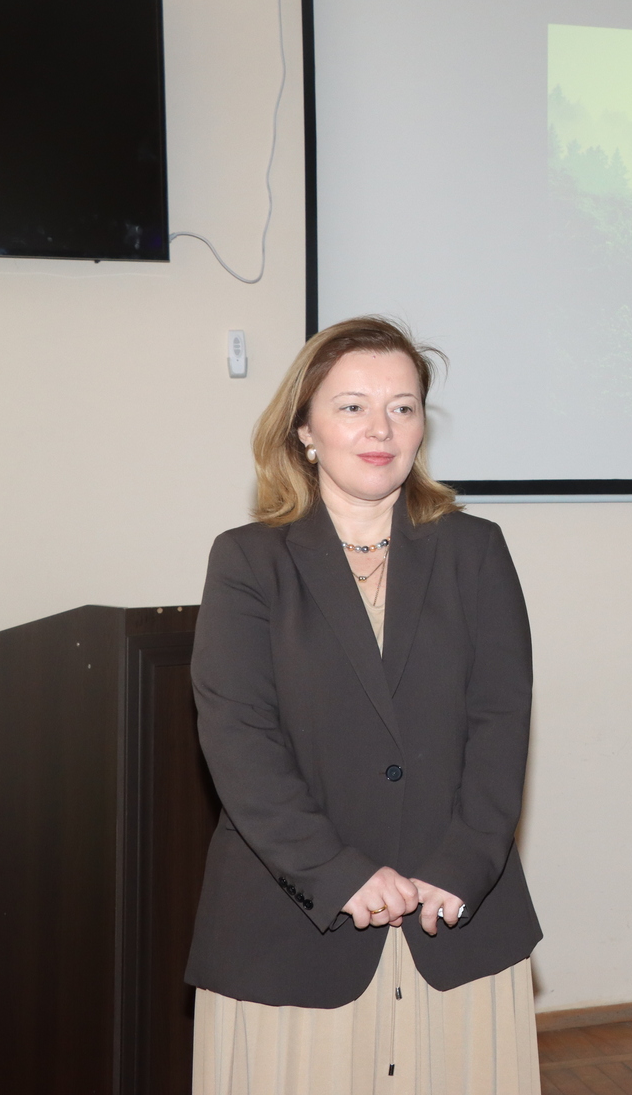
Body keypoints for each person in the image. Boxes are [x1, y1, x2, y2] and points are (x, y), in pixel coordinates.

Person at [186, 316, 543, 1094]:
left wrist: (463, 864)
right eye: (352, 407)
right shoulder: (246, 561)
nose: (381, 428)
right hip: (293, 928)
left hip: (453, 917)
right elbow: (239, 741)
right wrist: (337, 873)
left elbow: (501, 722)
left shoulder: (475, 550)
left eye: (402, 407)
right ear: (305, 430)